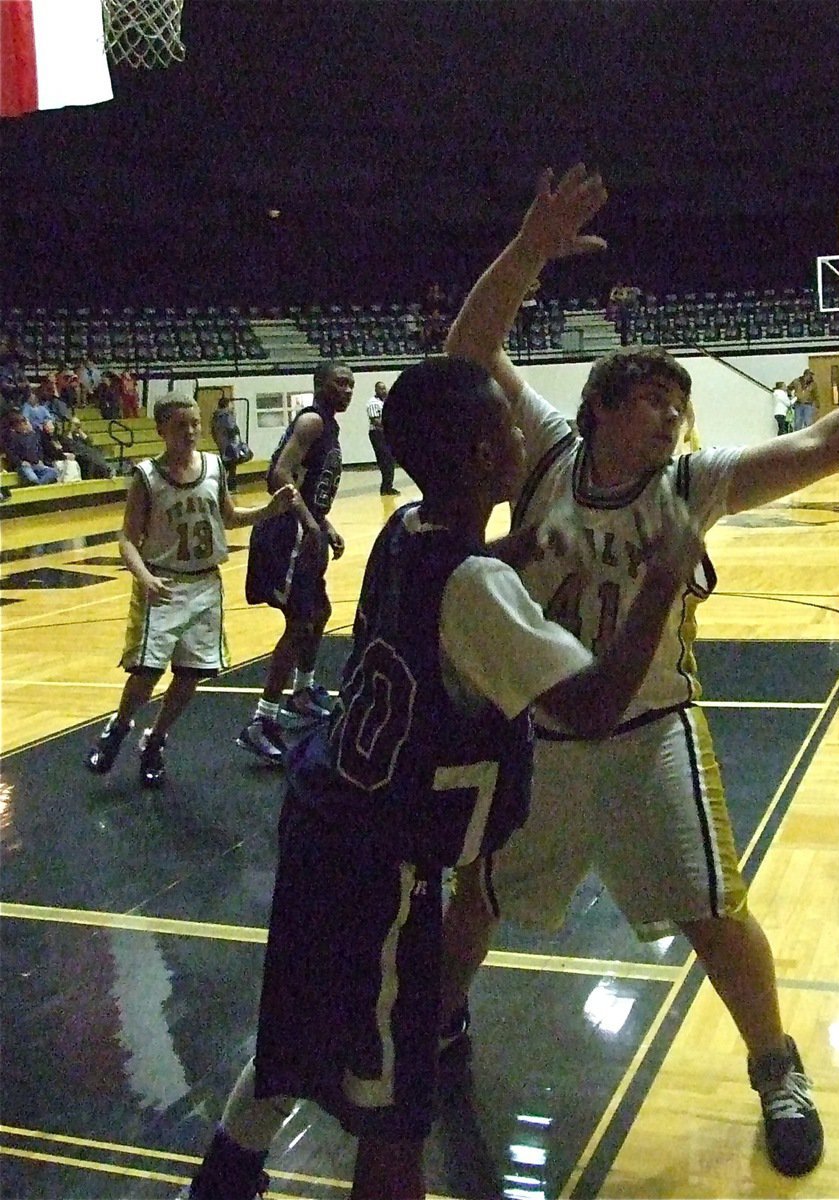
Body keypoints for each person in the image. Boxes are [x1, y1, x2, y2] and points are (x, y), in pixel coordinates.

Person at [439, 163, 839, 1179]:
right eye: (648, 400)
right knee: (478, 893)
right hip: (539, 734)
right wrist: (528, 249)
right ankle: (439, 1026)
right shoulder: (542, 450)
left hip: (649, 732)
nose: (670, 417)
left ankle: (776, 1069)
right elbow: (468, 352)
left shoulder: (692, 483)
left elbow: (819, 441)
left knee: (715, 911)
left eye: (678, 402)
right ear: (595, 409)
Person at [180, 356, 705, 1200]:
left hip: (323, 822)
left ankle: (224, 1177)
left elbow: (453, 581)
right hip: (384, 867)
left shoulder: (407, 531)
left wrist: (520, 545)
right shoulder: (477, 587)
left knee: (296, 1031)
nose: (519, 436)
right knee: (394, 1112)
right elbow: (596, 705)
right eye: (504, 426)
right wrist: (664, 581)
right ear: (480, 457)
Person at [84, 394, 294, 788]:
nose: (192, 432)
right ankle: (119, 727)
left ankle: (156, 741)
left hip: (205, 584)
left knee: (190, 674)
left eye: (196, 424)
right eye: (182, 425)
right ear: (162, 430)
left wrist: (270, 510)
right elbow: (127, 540)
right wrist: (145, 578)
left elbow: (229, 517)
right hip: (162, 583)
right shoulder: (146, 476)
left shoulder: (214, 466)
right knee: (146, 671)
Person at [237, 361, 353, 764]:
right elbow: (279, 473)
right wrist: (309, 523)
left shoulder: (329, 425)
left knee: (320, 612)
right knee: (300, 621)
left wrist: (325, 524)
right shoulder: (311, 422)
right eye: (341, 383)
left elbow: (306, 482)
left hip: (307, 530)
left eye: (352, 384)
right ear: (321, 385)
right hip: (286, 534)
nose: (348, 390)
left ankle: (303, 692)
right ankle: (261, 721)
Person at [2, 414, 59, 484]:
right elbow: (11, 454)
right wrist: (21, 462)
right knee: (33, 479)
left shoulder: (34, 435)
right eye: (24, 424)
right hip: (24, 466)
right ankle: (38, 485)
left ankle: (39, 485)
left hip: (36, 464)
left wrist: (39, 459)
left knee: (53, 472)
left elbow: (39, 449)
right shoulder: (12, 438)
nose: (26, 425)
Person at [210, 396, 251, 493]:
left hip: (222, 444)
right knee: (232, 466)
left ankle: (226, 486)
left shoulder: (216, 417)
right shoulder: (227, 415)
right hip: (231, 444)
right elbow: (232, 428)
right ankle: (230, 487)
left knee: (227, 465)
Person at [366, 380, 399, 495]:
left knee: (390, 460)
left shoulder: (385, 401)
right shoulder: (373, 403)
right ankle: (385, 487)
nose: (384, 390)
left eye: (385, 388)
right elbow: (376, 421)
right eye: (381, 389)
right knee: (385, 460)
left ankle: (388, 486)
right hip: (377, 434)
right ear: (376, 390)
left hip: (385, 433)